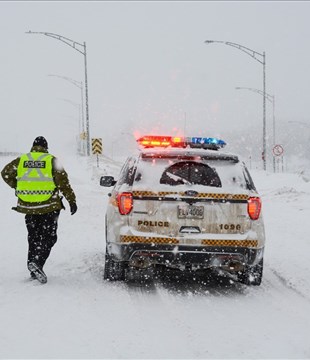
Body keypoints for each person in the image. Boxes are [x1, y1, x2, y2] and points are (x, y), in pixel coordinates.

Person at [1, 136, 77, 284]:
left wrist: (17, 186)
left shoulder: (22, 160)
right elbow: (63, 182)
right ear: (46, 147)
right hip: (48, 206)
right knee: (49, 237)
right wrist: (71, 200)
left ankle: (33, 267)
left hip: (29, 206)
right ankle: (37, 263)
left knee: (33, 237)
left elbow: (5, 173)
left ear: (33, 147)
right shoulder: (51, 160)